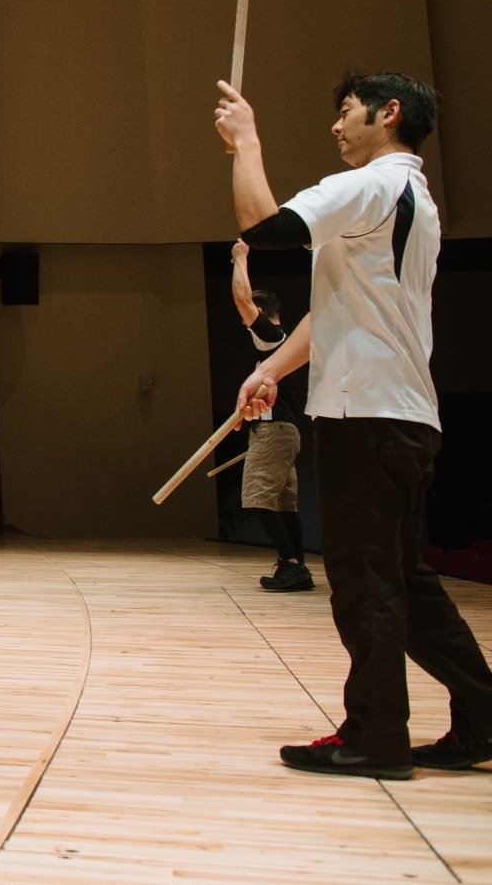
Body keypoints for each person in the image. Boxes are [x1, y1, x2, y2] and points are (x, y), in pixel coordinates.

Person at [219, 70, 492, 779]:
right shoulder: (412, 197)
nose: (337, 127)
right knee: (403, 578)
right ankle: (485, 712)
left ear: (388, 113)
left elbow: (267, 226)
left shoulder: (376, 183)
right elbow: (337, 307)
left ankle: (376, 736)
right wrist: (272, 368)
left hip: (367, 414)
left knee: (364, 581)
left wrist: (247, 140)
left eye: (346, 112)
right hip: (400, 414)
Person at [228, 243, 311, 592]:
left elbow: (242, 300)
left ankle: (291, 564)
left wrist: (240, 259)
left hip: (274, 431)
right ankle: (295, 566)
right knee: (282, 503)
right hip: (285, 431)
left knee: (257, 498)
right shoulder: (283, 344)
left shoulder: (272, 338)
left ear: (261, 313)